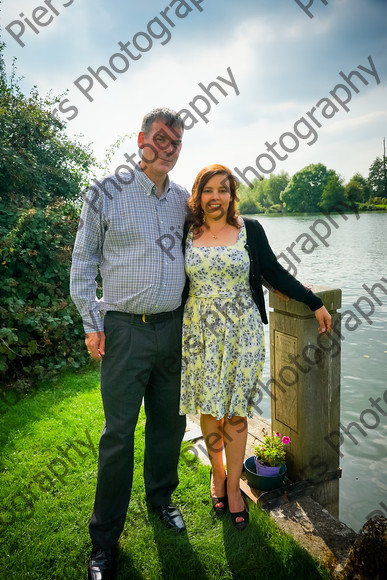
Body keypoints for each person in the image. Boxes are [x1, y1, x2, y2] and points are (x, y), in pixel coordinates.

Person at [70, 108, 189, 580]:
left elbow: (214, 245)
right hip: (123, 330)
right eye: (161, 138)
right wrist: (90, 321)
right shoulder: (105, 192)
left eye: (176, 143)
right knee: (117, 436)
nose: (168, 148)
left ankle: (160, 498)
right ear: (141, 139)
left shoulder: (183, 199)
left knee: (169, 424)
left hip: (173, 328)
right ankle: (103, 542)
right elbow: (83, 259)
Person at [179, 164, 331, 531]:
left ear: (232, 195)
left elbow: (273, 274)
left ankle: (234, 487)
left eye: (224, 189)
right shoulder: (185, 230)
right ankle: (217, 476)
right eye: (208, 190)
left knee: (235, 413)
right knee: (210, 412)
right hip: (199, 333)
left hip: (242, 333)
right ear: (198, 195)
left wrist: (313, 301)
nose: (216, 197)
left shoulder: (250, 230)